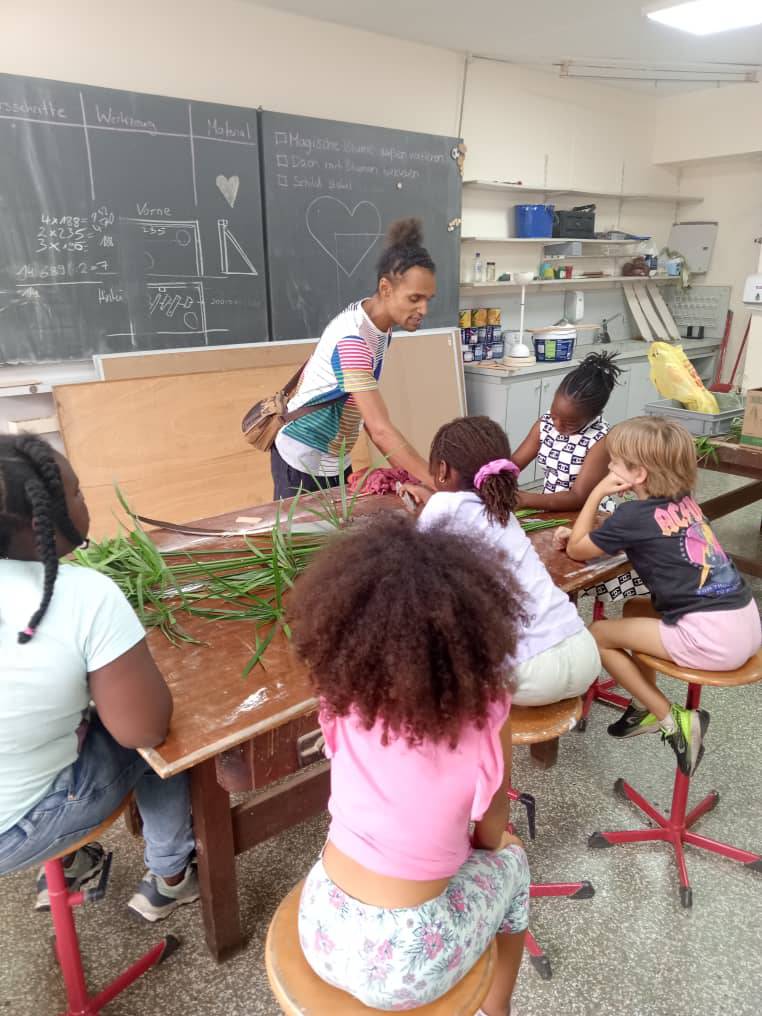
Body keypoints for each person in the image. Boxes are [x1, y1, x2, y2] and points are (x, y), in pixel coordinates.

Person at [289, 514, 530, 1014]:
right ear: (476, 632)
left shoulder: (342, 697)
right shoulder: (486, 713)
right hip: (409, 959)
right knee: (513, 860)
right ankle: (498, 1009)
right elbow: (490, 834)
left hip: (320, 922)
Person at [0, 435, 197, 921]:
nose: (84, 500)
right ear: (39, 522)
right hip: (12, 828)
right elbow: (144, 731)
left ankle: (69, 859)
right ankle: (172, 875)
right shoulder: (83, 594)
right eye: (76, 492)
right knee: (161, 742)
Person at [559, 416, 761, 776]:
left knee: (598, 635)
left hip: (712, 639)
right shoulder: (685, 501)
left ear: (638, 474)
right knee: (635, 607)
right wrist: (588, 535)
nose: (609, 467)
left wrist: (596, 493)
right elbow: (646, 537)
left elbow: (577, 549)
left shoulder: (632, 516)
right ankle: (643, 706)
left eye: (615, 462)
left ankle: (671, 720)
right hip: (744, 622)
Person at [403, 415, 600, 707]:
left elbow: (413, 569)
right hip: (584, 651)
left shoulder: (443, 505)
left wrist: (429, 505)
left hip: (530, 671)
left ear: (442, 469)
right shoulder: (502, 511)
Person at [271, 217, 436, 500]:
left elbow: (371, 419)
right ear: (386, 289)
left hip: (334, 456)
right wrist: (437, 485)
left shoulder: (378, 327)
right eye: (414, 299)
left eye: (428, 299)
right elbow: (379, 429)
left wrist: (417, 477)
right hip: (303, 458)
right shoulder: (353, 339)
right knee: (305, 529)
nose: (423, 309)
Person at [511, 350, 647, 602]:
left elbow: (578, 497)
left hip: (587, 515)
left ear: (594, 415)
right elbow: (513, 464)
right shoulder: (545, 425)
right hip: (550, 509)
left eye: (569, 423)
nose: (558, 425)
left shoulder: (601, 439)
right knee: (545, 571)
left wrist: (523, 499)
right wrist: (493, 476)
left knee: (570, 575)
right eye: (554, 415)